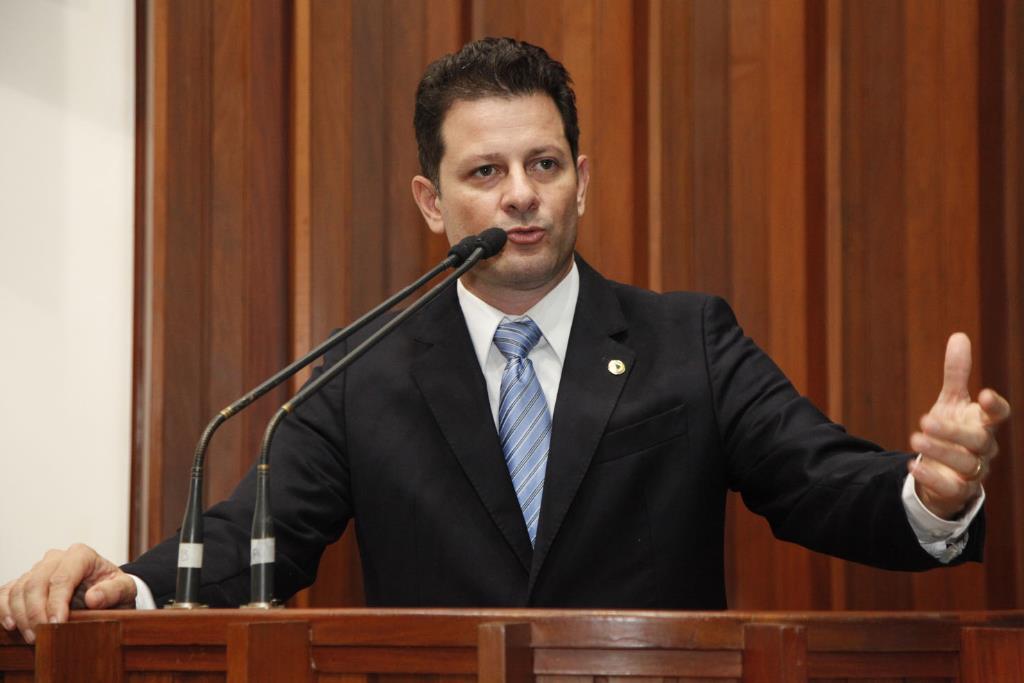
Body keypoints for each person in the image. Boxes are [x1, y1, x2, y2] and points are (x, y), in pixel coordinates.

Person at [1, 38, 1011, 642]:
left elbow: (815, 479)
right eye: (485, 172)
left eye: (544, 163)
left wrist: (926, 493)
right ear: (430, 202)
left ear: (584, 179)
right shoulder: (364, 371)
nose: (521, 194)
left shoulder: (684, 339)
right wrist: (121, 585)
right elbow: (245, 545)